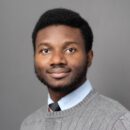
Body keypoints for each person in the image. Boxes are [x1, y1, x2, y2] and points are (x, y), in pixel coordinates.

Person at [20, 8, 130, 130]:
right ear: (35, 57)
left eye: (70, 50)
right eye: (45, 51)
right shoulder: (29, 124)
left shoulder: (116, 122)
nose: (57, 60)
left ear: (89, 57)